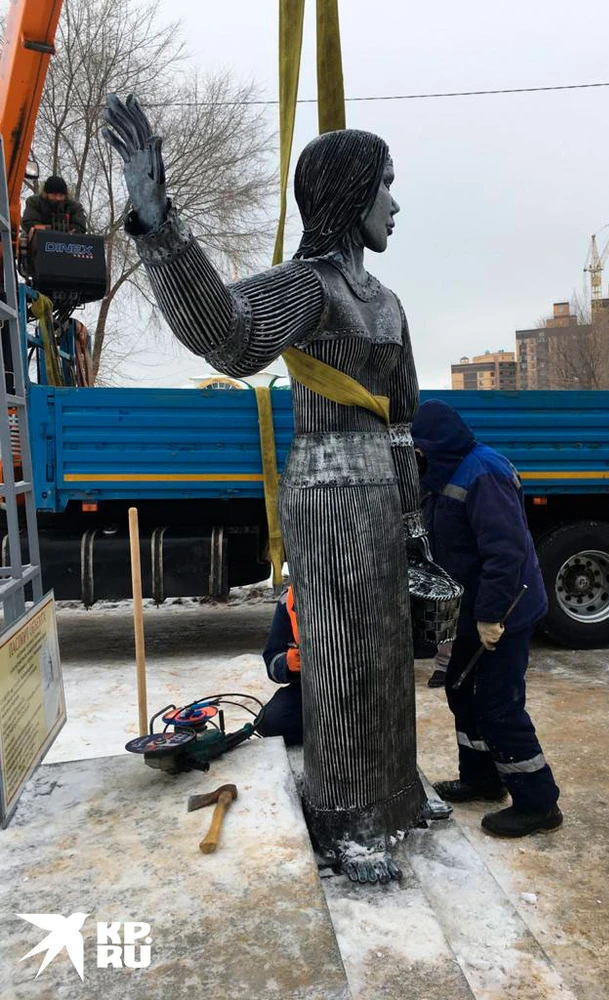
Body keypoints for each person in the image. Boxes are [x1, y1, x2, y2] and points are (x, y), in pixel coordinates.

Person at [103, 95, 447, 883]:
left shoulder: (387, 303)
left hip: (382, 496)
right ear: (350, 193)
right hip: (326, 496)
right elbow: (226, 333)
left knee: (390, 652)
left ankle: (395, 790)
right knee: (341, 656)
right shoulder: (309, 287)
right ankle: (348, 811)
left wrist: (415, 530)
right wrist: (161, 227)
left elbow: (401, 423)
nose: (395, 203)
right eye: (385, 184)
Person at [412, 399, 562, 838]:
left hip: (504, 613)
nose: (413, 460)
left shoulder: (484, 474)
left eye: (416, 451)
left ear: (432, 444)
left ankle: (538, 803)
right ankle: (482, 778)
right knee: (461, 691)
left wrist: (491, 616)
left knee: (498, 706)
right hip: (469, 610)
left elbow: (507, 553)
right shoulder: (440, 470)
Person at [257, 586, 303, 746]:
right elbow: (272, 656)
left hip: (372, 684)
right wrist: (286, 664)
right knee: (270, 722)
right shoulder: (289, 598)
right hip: (312, 688)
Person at [21, 176, 87, 236]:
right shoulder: (34, 202)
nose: (57, 198)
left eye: (61, 195)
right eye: (54, 195)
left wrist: (48, 228)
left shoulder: (75, 207)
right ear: (46, 194)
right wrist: (65, 229)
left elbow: (80, 227)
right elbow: (29, 224)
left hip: (69, 243)